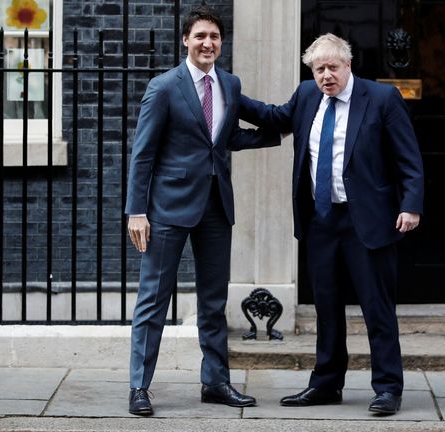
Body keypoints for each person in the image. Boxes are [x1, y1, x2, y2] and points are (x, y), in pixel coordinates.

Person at [240, 33, 424, 415]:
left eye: (332, 67)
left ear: (348, 65)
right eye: (319, 68)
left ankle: (388, 387)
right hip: (321, 220)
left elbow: (408, 157)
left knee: (377, 307)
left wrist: (411, 205)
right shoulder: (307, 96)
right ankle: (326, 383)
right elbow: (274, 117)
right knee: (326, 306)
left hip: (367, 221)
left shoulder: (381, 98)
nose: (326, 75)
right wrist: (225, 90)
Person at [125, 6, 279, 416]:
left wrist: (291, 119)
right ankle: (139, 386)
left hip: (215, 206)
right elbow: (143, 155)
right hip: (167, 209)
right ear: (186, 41)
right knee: (153, 301)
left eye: (214, 36)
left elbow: (228, 137)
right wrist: (136, 211)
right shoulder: (164, 87)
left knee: (213, 302)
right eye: (200, 36)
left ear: (221, 42)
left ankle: (216, 382)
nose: (207, 43)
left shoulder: (228, 83)